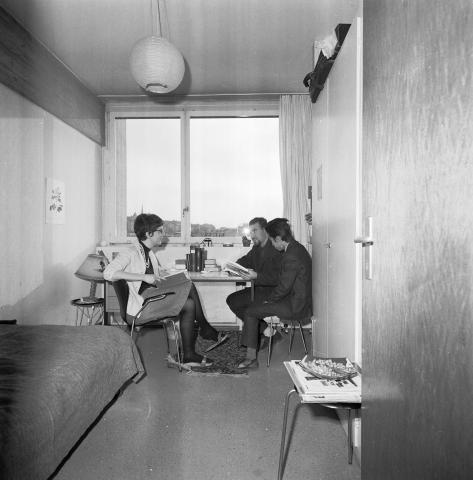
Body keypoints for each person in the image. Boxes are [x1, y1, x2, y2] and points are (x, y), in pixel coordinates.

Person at [104, 213, 226, 367]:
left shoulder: (149, 253)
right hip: (142, 306)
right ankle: (204, 331)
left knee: (188, 294)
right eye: (160, 231)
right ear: (149, 234)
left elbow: (154, 274)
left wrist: (165, 273)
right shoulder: (130, 252)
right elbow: (108, 273)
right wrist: (143, 277)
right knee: (188, 296)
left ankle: (193, 348)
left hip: (151, 297)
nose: (164, 234)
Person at [237, 218, 312, 369]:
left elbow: (284, 286)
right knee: (251, 309)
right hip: (295, 299)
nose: (272, 243)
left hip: (295, 305)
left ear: (278, 239)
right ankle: (257, 344)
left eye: (272, 240)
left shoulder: (291, 255)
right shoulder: (296, 248)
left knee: (251, 312)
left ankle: (251, 359)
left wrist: (268, 301)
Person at [226, 217, 282, 345]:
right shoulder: (257, 248)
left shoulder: (276, 248)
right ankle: (269, 332)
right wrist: (233, 267)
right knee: (232, 300)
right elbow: (245, 260)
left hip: (273, 293)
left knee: (245, 307)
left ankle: (262, 335)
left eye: (254, 231)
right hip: (259, 290)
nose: (251, 235)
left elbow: (279, 279)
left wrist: (256, 276)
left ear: (265, 230)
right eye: (250, 232)